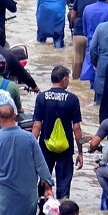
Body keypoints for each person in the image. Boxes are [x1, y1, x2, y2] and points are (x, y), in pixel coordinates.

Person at [0, 104, 52, 215]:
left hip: (2, 197)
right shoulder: (29, 138)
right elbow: (41, 165)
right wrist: (48, 187)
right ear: (15, 116)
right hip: (26, 196)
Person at [30, 66, 83, 199]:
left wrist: (30, 148)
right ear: (64, 79)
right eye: (68, 78)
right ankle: (62, 214)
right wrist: (80, 152)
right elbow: (76, 128)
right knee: (63, 188)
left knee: (43, 184)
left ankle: (42, 214)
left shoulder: (41, 97)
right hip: (65, 149)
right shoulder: (72, 99)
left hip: (45, 147)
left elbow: (37, 125)